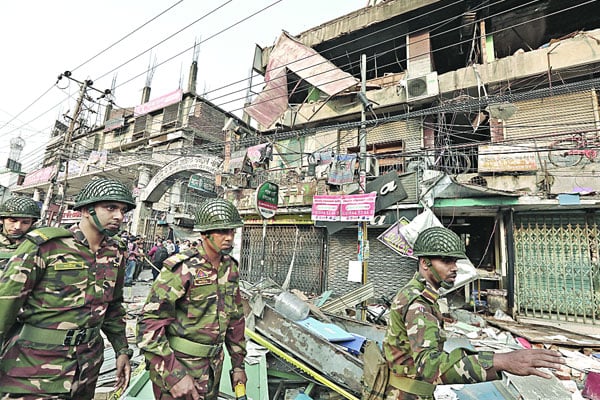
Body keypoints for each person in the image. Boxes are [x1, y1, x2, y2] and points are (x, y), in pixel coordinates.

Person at [383, 226, 565, 400]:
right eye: (446, 261)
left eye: (455, 261)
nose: (454, 267)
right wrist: (501, 361)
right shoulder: (418, 303)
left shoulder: (419, 293)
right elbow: (429, 366)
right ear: (425, 263)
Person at [0, 177, 135, 399]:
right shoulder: (46, 246)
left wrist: (121, 350)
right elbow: (6, 304)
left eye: (123, 210)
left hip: (86, 367)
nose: (119, 216)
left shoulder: (115, 252)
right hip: (33, 368)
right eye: (110, 208)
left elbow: (113, 306)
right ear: (85, 210)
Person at [137, 198, 247, 400]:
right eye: (222, 231)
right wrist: (174, 376)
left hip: (213, 368)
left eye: (232, 231)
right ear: (204, 234)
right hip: (181, 369)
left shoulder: (230, 268)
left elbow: (236, 319)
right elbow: (149, 324)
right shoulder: (182, 268)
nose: (229, 237)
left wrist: (238, 365)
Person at [0, 196, 41, 266]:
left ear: (32, 223)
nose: (17, 227)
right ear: (1, 220)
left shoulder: (38, 243)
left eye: (25, 222)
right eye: (13, 221)